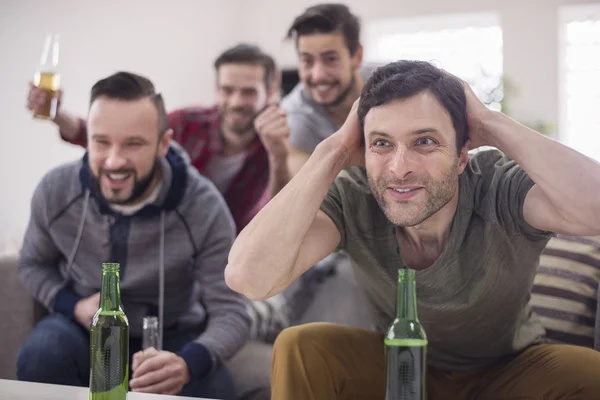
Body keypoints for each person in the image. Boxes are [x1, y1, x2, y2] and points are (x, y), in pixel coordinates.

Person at [224, 60, 600, 399]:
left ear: (461, 156)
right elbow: (249, 278)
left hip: (507, 371)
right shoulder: (356, 194)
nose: (399, 167)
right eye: (382, 143)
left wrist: (489, 123)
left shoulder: (497, 185)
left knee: (589, 372)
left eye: (425, 141)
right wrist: (334, 150)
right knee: (301, 346)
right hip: (398, 366)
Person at [17, 71, 249, 400]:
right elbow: (31, 265)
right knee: (41, 355)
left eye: (133, 144)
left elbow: (232, 311)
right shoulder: (56, 191)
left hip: (173, 336)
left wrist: (188, 363)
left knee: (215, 390)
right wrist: (73, 304)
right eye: (101, 142)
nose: (113, 161)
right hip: (84, 330)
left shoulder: (204, 206)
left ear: (163, 144)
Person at [26, 43, 291, 233]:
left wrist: (278, 154)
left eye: (248, 92)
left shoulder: (277, 139)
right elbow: (115, 138)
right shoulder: (189, 123)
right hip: (171, 237)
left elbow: (281, 215)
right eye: (227, 90)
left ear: (268, 93)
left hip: (228, 249)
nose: (235, 102)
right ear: (216, 89)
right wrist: (57, 115)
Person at [277, 3, 373, 187]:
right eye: (307, 61)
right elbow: (312, 196)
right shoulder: (295, 118)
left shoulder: (391, 84)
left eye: (331, 59)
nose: (318, 75)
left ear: (357, 56)